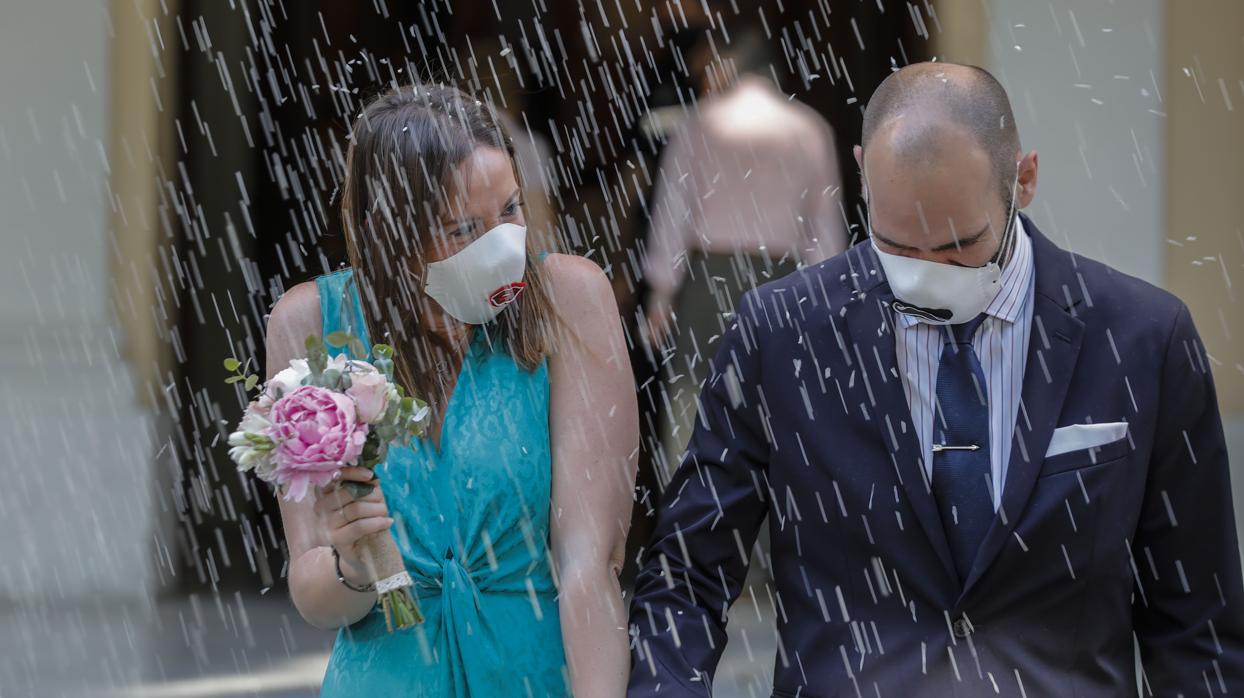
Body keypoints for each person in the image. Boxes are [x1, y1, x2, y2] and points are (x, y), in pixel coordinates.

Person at [628, 62, 1244, 696]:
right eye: (897, 246)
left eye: (958, 245)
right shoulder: (780, 333)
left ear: (1023, 180)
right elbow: (685, 576)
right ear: (862, 171)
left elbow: (1196, 623)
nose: (927, 273)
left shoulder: (1143, 338)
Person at [264, 83, 637, 696]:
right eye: (464, 226)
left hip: (529, 675)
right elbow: (312, 591)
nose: (501, 244)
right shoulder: (311, 323)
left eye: (511, 210)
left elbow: (589, 568)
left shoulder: (570, 301)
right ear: (391, 232)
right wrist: (357, 564)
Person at [641, 29, 846, 478]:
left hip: (706, 281)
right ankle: (770, 540)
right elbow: (825, 233)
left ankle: (694, 530)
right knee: (779, 416)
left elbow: (672, 213)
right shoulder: (810, 128)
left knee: (692, 412)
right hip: (784, 284)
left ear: (730, 68)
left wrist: (660, 294)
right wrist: (827, 307)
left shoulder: (699, 123)